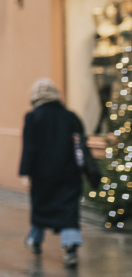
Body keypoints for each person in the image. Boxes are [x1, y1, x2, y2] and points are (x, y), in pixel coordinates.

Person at [18, 78, 93, 267]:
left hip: (43, 175)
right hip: (69, 174)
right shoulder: (71, 117)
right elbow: (80, 146)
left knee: (40, 209)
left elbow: (29, 148)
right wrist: (87, 170)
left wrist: (26, 174)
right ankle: (70, 248)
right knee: (68, 211)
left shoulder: (33, 117)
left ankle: (35, 240)